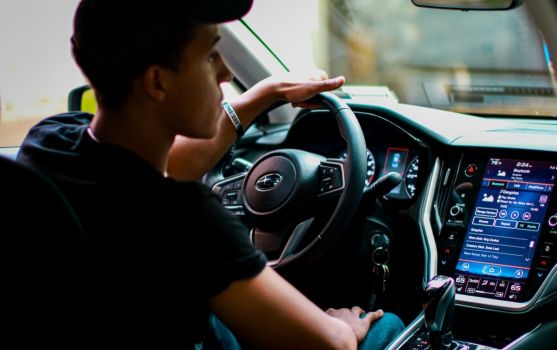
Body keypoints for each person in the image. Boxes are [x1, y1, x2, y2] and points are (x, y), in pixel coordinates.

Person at [17, 0, 404, 348]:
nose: (225, 72)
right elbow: (328, 344)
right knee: (388, 328)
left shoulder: (50, 140)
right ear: (157, 82)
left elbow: (173, 164)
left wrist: (265, 92)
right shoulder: (184, 219)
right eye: (210, 56)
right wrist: (343, 326)